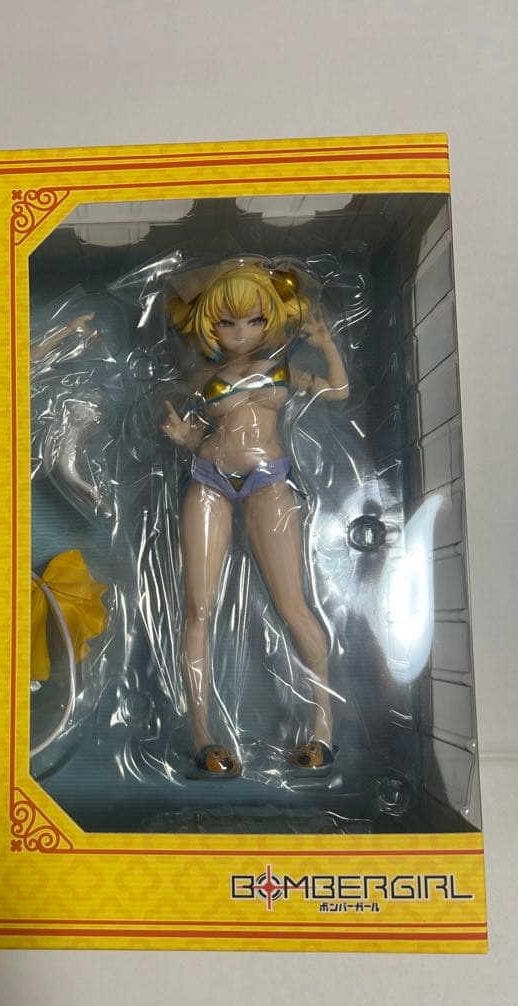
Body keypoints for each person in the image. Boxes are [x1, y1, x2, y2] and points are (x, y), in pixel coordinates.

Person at [160, 262, 349, 775]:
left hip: (268, 480)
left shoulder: (284, 371)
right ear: (206, 325)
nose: (240, 332)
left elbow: (338, 393)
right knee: (197, 608)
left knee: (293, 605)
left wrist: (327, 345)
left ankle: (323, 729)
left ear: (272, 320)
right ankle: (202, 735)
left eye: (253, 320)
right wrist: (187, 440)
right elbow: (195, 430)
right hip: (208, 479)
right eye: (225, 322)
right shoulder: (202, 378)